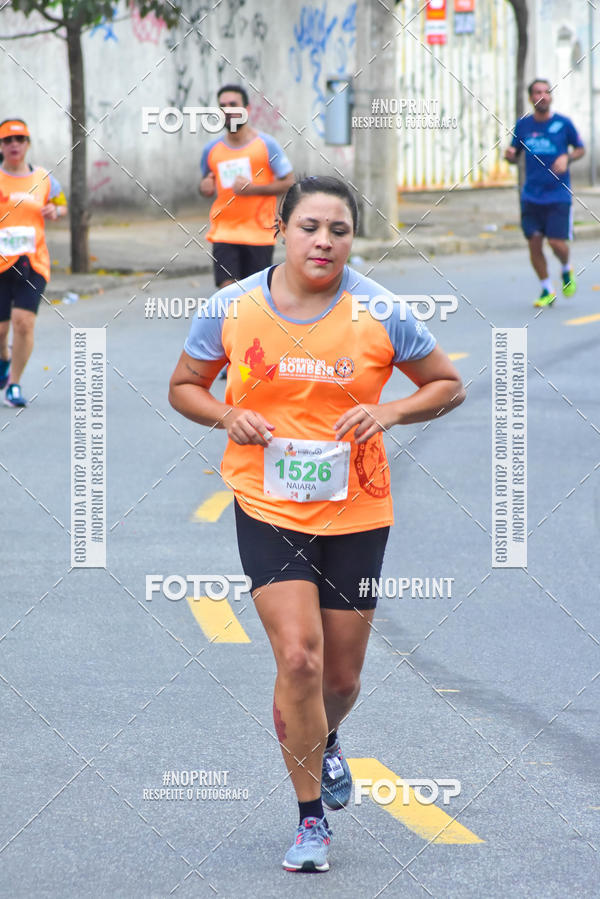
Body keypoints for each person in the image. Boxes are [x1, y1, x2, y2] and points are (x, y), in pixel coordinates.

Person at [169, 175, 465, 873]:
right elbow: (185, 384)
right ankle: (309, 822)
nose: (324, 241)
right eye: (310, 227)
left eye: (339, 229)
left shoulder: (382, 311)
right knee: (298, 658)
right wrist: (226, 413)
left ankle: (325, 736)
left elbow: (446, 382)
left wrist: (389, 412)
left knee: (341, 675)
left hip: (358, 507)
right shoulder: (231, 309)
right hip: (266, 502)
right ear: (281, 230)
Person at [198, 84, 295, 289]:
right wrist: (204, 187)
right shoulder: (211, 150)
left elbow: (289, 182)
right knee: (228, 293)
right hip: (224, 232)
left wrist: (253, 189)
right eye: (222, 106)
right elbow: (206, 184)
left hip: (259, 234)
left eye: (233, 104)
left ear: (247, 110)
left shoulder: (266, 145)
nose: (228, 110)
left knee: (255, 298)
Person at [0, 118, 67, 407]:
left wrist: (57, 209)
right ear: (1, 146)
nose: (14, 145)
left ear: (27, 144)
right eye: (7, 140)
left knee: (23, 323)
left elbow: (61, 202)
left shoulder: (44, 178)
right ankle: (4, 358)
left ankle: (13, 384)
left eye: (20, 139)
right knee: (1, 329)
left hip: (33, 261)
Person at [505, 79, 585, 308]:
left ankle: (566, 268)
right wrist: (509, 155)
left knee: (557, 243)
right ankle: (547, 289)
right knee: (535, 244)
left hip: (558, 195)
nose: (542, 95)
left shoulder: (563, 124)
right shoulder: (524, 126)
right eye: (537, 92)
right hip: (531, 196)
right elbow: (514, 154)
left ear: (550, 97)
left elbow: (580, 149)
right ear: (531, 97)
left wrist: (567, 157)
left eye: (546, 92)